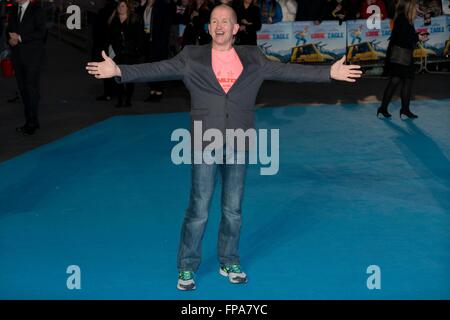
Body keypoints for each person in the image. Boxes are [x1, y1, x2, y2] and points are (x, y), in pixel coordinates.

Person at [86, 4, 362, 291]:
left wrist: (328, 72)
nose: (219, 25)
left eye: (225, 21)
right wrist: (119, 69)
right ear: (209, 28)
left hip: (239, 143)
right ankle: (186, 265)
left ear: (235, 28)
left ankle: (229, 259)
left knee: (233, 209)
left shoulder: (253, 57)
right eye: (214, 21)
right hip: (205, 143)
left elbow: (288, 71)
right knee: (199, 208)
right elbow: (157, 68)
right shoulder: (192, 57)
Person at [377, 0, 424, 119]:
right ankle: (400, 109)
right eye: (416, 5)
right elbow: (402, 39)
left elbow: (404, 37)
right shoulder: (403, 19)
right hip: (401, 56)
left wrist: (417, 37)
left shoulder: (404, 18)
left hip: (402, 56)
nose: (417, 7)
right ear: (410, 6)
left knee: (398, 82)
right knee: (400, 82)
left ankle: (396, 109)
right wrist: (417, 37)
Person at [6, 0, 47, 136]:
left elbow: (42, 32)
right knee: (23, 90)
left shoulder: (37, 9)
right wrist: (10, 39)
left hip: (32, 58)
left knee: (31, 90)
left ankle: (31, 123)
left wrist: (21, 38)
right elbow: (9, 30)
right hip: (17, 57)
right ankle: (32, 121)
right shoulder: (13, 10)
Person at [107, 0, 142, 107]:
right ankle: (120, 100)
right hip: (118, 53)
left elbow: (139, 37)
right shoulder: (114, 20)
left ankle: (128, 100)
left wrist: (137, 50)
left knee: (130, 77)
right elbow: (110, 37)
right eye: (119, 6)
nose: (120, 8)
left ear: (127, 7)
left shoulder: (134, 19)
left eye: (123, 6)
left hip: (130, 53)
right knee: (119, 77)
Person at [136, 0, 171, 102]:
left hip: (159, 43)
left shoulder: (162, 5)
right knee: (149, 66)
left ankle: (158, 90)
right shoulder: (145, 5)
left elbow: (166, 26)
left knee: (158, 67)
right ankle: (152, 90)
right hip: (148, 43)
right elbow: (137, 18)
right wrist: (141, 5)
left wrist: (162, 43)